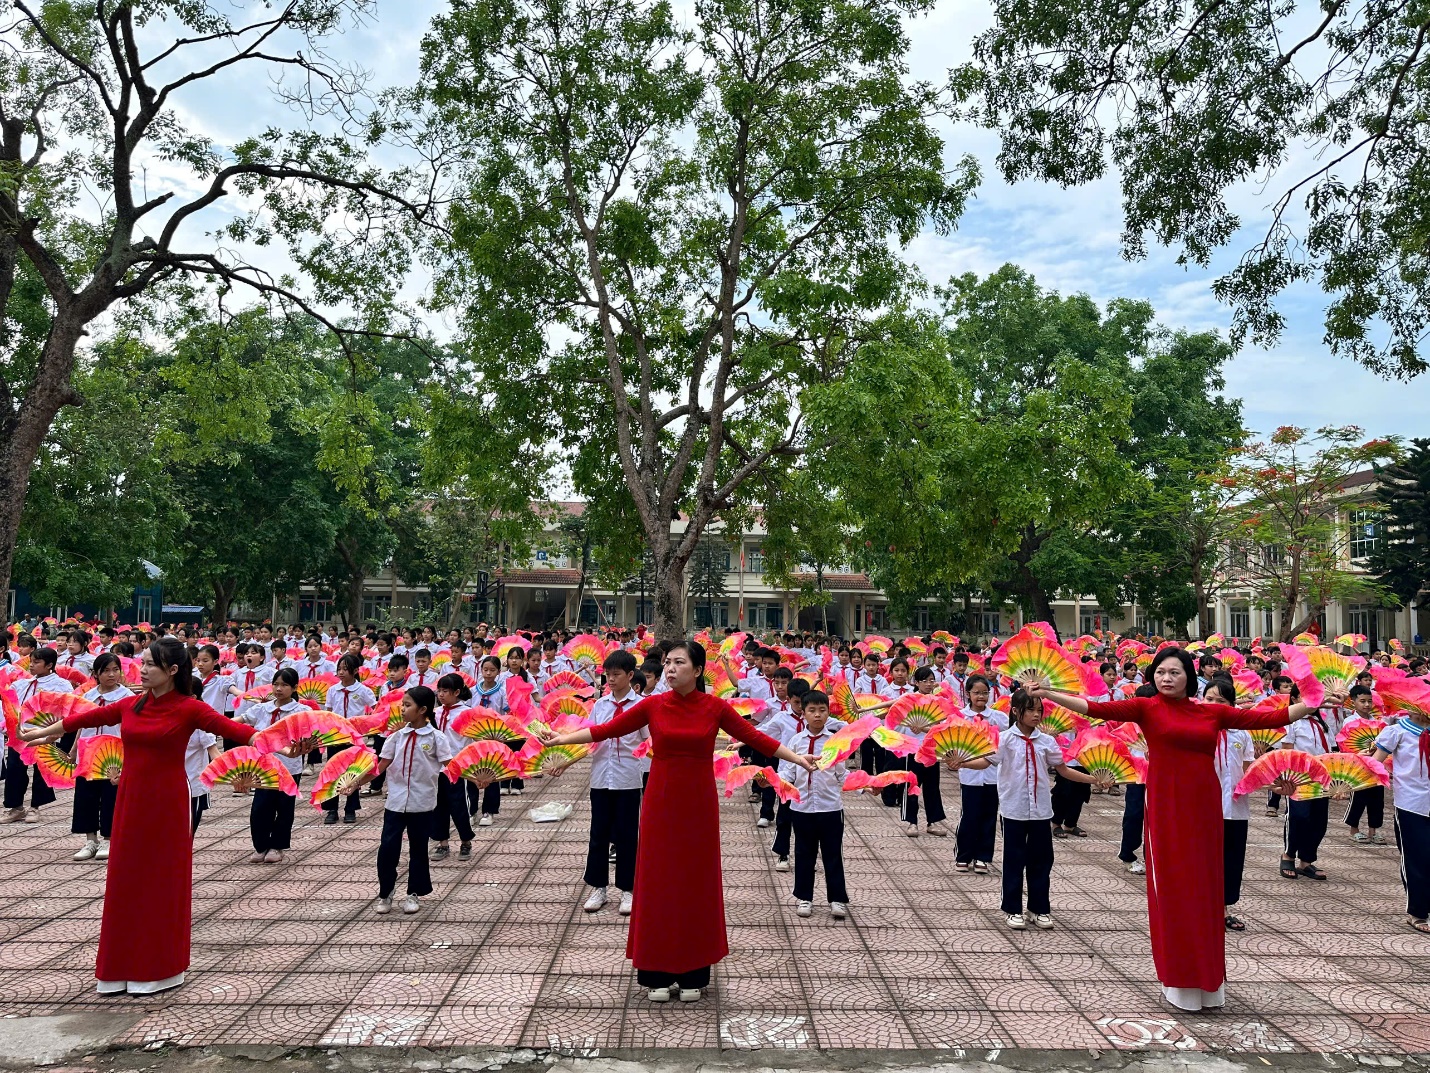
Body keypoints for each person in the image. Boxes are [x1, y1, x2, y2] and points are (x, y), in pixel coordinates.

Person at [1029, 646, 1341, 1011]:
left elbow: (1266, 719)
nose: (1166, 678)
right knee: (1174, 889)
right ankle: (1178, 980)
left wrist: (1313, 702)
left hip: (1205, 806)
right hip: (1166, 807)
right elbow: (1094, 709)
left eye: (1174, 672)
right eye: (1161, 672)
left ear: (1188, 677)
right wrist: (1047, 692)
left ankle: (1209, 981)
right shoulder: (1146, 707)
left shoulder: (1211, 711)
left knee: (1205, 889)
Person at [541, 640, 818, 1003]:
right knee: (658, 881)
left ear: (698, 670)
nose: (670, 668)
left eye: (679, 663)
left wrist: (797, 758)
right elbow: (606, 730)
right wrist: (560, 740)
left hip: (699, 805)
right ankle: (655, 972)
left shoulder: (715, 707)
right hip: (661, 802)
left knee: (694, 882)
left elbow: (756, 738)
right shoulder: (653, 705)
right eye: (668, 662)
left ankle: (693, 973)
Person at [19, 637, 262, 994]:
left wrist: (285, 745)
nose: (142, 669)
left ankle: (159, 968)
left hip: (168, 802)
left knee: (160, 881)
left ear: (173, 670)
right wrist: (42, 733)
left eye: (151, 664)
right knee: (125, 879)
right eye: (143, 662)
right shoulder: (131, 705)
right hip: (130, 799)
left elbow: (239, 732)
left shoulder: (190, 708)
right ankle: (117, 969)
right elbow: (85, 718)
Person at [963, 687, 1110, 930]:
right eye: (1030, 710)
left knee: (1042, 860)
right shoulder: (1004, 739)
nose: (1036, 715)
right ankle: (1012, 909)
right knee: (1014, 859)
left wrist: (1094, 779)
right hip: (1014, 809)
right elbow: (986, 761)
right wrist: (962, 763)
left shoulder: (1047, 741)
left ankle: (1038, 908)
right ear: (1015, 711)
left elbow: (1064, 770)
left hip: (1041, 810)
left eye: (1039, 710)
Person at [581, 649, 649, 916]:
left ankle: (627, 889)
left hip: (628, 779)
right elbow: (589, 738)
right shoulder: (600, 706)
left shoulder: (641, 707)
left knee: (627, 836)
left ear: (630, 675)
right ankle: (598, 887)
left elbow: (649, 741)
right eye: (607, 674)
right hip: (601, 778)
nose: (610, 679)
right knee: (598, 834)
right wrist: (564, 761)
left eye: (616, 674)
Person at [778, 690, 849, 920]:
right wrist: (772, 781)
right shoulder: (796, 741)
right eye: (812, 710)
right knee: (803, 853)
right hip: (802, 808)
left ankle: (837, 899)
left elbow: (842, 774)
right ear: (803, 713)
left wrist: (866, 785)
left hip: (830, 807)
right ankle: (804, 897)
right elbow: (788, 773)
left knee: (833, 854)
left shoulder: (834, 742)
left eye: (822, 710)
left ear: (828, 713)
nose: (817, 715)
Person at [1371, 709, 1430, 933]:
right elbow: (1375, 763)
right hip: (1411, 803)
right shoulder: (1397, 731)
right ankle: (1418, 912)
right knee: (1416, 858)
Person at [1203, 677, 1254, 932]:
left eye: (1220, 701)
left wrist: (1274, 785)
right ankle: (1200, 910)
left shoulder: (1241, 733)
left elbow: (1248, 771)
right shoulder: (1196, 731)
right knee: (1202, 859)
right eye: (1209, 699)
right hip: (1202, 807)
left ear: (1232, 705)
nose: (1213, 704)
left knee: (1231, 860)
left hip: (1235, 807)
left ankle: (1223, 909)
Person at [239, 667, 305, 864]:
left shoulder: (301, 712)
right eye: (275, 684)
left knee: (284, 808)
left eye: (284, 685)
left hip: (289, 766)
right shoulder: (262, 709)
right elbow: (240, 720)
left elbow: (312, 732)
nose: (278, 689)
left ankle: (277, 846)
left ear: (294, 688)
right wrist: (215, 725)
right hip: (263, 768)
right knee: (260, 808)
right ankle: (261, 845)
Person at [4, 646, 74, 824]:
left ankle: (35, 807)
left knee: (41, 770)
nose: (31, 665)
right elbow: (12, 705)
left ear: (49, 665)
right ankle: (16, 807)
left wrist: (57, 730)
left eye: (37, 662)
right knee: (14, 768)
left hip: (44, 732)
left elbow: (67, 708)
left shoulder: (61, 685)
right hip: (21, 733)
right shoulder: (23, 684)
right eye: (31, 661)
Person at [72, 653, 131, 861]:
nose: (111, 674)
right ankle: (91, 840)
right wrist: (74, 749)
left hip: (113, 754)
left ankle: (109, 838)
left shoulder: (127, 697)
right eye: (106, 671)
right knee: (86, 796)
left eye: (115, 670)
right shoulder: (88, 696)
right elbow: (81, 724)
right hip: (89, 751)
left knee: (110, 796)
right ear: (96, 673)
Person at [952, 674, 1006, 874]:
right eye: (976, 693)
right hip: (969, 775)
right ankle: (963, 855)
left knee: (989, 817)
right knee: (969, 816)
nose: (981, 696)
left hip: (992, 774)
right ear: (968, 694)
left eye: (985, 693)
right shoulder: (960, 717)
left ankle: (983, 857)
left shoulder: (999, 718)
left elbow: (1007, 740)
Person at [323, 654, 376, 825]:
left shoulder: (363, 690)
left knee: (353, 772)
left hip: (354, 737)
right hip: (335, 736)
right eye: (339, 669)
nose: (341, 672)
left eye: (345, 669)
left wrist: (366, 725)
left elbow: (375, 708)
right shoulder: (333, 690)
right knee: (333, 771)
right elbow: (328, 712)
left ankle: (350, 808)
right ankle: (331, 809)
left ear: (355, 671)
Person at [431, 672, 475, 859]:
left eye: (445, 691)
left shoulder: (467, 713)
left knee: (459, 805)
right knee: (437, 805)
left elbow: (474, 739)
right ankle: (442, 843)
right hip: (436, 767)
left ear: (457, 692)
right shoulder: (434, 712)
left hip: (457, 766)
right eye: (439, 691)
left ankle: (466, 841)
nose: (441, 695)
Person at [1342, 685, 1386, 844]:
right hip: (1358, 766)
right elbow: (1345, 745)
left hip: (1376, 765)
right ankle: (1353, 829)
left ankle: (1373, 830)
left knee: (1377, 799)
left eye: (1369, 701)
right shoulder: (1349, 721)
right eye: (1362, 701)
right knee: (1358, 798)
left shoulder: (1378, 722)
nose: (1367, 705)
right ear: (1353, 702)